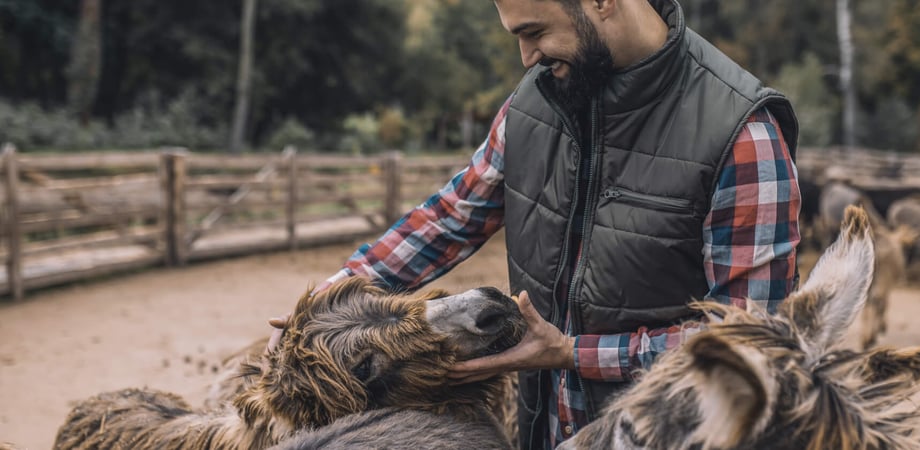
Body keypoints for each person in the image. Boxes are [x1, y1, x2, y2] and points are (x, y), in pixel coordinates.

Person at [271, 0, 800, 447]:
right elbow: (451, 217)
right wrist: (334, 295)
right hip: (542, 429)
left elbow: (751, 344)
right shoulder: (534, 104)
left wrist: (571, 353)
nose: (526, 57)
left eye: (534, 32)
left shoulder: (743, 135)